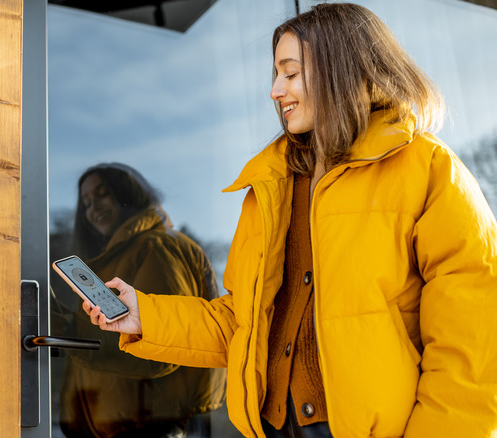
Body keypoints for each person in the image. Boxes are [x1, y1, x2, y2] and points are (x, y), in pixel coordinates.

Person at [81, 4, 497, 438]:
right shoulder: (272, 186)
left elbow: (473, 342)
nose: (276, 90)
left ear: (341, 69)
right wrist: (142, 315)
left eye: (291, 73)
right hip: (273, 428)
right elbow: (242, 324)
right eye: (275, 75)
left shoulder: (428, 170)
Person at [53, 162, 227, 438]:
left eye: (102, 194)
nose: (93, 208)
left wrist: (74, 341)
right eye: (86, 202)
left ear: (128, 194)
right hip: (119, 425)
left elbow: (165, 346)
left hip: (147, 426)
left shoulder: (157, 248)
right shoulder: (119, 254)